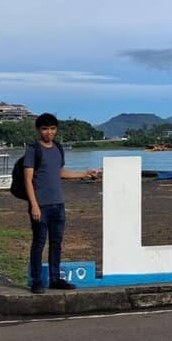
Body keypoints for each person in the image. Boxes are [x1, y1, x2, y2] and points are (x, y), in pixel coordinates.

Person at [24, 113, 99, 294]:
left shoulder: (58, 148)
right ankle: (36, 281)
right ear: (38, 130)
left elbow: (61, 172)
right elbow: (28, 180)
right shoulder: (33, 150)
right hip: (41, 206)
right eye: (45, 129)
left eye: (52, 129)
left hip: (58, 204)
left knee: (56, 243)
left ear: (56, 130)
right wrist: (34, 205)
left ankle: (55, 279)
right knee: (39, 243)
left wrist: (85, 174)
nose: (49, 132)